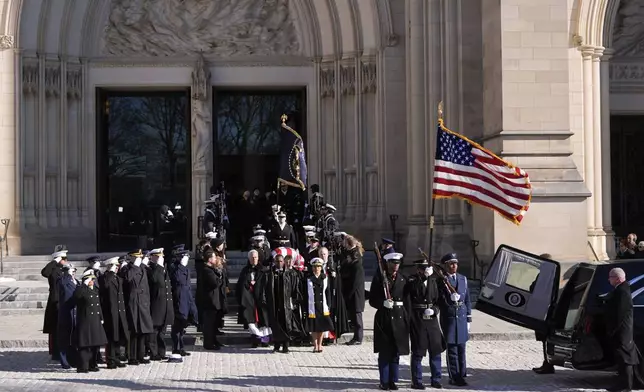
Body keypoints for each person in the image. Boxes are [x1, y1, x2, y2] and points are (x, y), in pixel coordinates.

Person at [369, 252, 410, 390]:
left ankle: (393, 380)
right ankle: (384, 381)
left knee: (396, 352)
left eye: (398, 263)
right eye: (393, 263)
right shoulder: (379, 278)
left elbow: (408, 298)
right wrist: (382, 303)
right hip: (384, 319)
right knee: (385, 352)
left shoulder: (403, 279)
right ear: (387, 263)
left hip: (399, 317)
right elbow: (372, 300)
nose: (396, 266)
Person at [405, 258, 446, 389]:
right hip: (418, 318)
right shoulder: (412, 280)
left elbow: (438, 301)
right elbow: (412, 291)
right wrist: (423, 278)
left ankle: (436, 378)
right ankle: (416, 381)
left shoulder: (433, 281)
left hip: (432, 319)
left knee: (436, 350)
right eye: (422, 269)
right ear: (418, 270)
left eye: (426, 269)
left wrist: (434, 310)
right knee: (418, 351)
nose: (424, 271)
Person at [258, 253, 303, 353]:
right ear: (274, 262)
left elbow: (295, 288)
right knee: (275, 324)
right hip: (274, 303)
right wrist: (264, 300)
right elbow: (264, 288)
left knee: (286, 324)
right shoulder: (269, 274)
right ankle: (277, 345)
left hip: (286, 303)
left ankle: (286, 346)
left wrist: (294, 301)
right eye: (277, 261)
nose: (279, 263)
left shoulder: (290, 274)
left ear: (284, 262)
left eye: (281, 261)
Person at [438, 253, 471, 387]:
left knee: (462, 348)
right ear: (445, 265)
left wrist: (469, 318)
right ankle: (454, 376)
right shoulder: (441, 280)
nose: (454, 266)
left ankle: (462, 374)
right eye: (451, 264)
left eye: (455, 263)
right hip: (449, 317)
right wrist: (448, 301)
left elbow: (467, 299)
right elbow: (439, 299)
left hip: (462, 317)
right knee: (452, 349)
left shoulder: (463, 279)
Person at [605, 267, 639, 392]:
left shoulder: (622, 291)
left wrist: (613, 330)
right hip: (620, 330)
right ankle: (621, 384)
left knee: (625, 358)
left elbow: (620, 314)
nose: (609, 279)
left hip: (622, 331)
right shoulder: (620, 289)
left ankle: (626, 386)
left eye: (611, 277)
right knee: (621, 357)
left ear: (618, 279)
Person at [73, 269, 108, 373]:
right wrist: (83, 285)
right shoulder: (81, 289)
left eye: (93, 279)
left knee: (95, 344)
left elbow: (98, 306)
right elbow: (76, 297)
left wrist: (101, 317)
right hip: (86, 321)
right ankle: (83, 366)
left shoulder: (94, 290)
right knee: (85, 345)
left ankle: (93, 364)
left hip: (95, 320)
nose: (92, 281)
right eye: (90, 279)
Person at [99, 256, 130, 369]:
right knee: (111, 337)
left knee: (118, 336)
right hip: (110, 313)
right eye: (115, 266)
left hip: (119, 311)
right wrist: (110, 272)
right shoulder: (104, 277)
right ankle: (110, 360)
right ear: (109, 266)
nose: (117, 268)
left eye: (117, 266)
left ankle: (116, 358)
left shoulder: (117, 278)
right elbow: (105, 286)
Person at [123, 249, 153, 365]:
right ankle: (131, 357)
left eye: (139, 257)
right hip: (133, 302)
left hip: (143, 302)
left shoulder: (143, 268)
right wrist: (134, 266)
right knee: (134, 331)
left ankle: (140, 355)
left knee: (142, 330)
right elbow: (127, 279)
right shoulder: (127, 268)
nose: (138, 259)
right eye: (136, 257)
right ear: (131, 257)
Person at [236, 250, 270, 347]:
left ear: (258, 258)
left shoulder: (264, 270)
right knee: (252, 320)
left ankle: (264, 340)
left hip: (261, 299)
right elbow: (241, 285)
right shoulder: (245, 271)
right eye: (252, 257)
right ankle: (255, 340)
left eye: (255, 257)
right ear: (249, 259)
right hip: (249, 299)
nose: (254, 259)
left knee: (263, 320)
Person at [170, 248, 198, 357]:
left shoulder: (185, 268)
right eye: (184, 256)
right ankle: (176, 348)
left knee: (182, 326)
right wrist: (181, 266)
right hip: (178, 299)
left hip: (186, 299)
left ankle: (181, 348)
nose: (186, 258)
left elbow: (188, 285)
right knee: (177, 326)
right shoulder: (175, 268)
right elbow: (178, 280)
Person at [147, 248, 174, 361]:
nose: (160, 258)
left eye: (161, 256)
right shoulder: (151, 269)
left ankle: (161, 352)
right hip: (156, 305)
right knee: (154, 331)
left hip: (165, 304)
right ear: (152, 257)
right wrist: (158, 266)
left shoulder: (162, 268)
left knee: (162, 331)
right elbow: (156, 281)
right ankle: (154, 352)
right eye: (157, 256)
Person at [42, 248, 68, 360]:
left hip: (62, 300)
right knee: (55, 328)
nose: (66, 260)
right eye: (64, 259)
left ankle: (61, 351)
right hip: (54, 301)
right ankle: (55, 353)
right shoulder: (53, 269)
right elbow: (44, 272)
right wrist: (54, 261)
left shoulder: (62, 269)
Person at [532, 253, 556, 375]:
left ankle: (548, 364)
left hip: (545, 313)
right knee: (544, 340)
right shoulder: (548, 275)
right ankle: (547, 363)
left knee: (546, 339)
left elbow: (535, 288)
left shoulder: (547, 276)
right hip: (542, 311)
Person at [304, 258, 334, 353]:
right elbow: (305, 293)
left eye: (318, 267)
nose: (317, 268)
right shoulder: (308, 278)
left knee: (321, 327)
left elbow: (327, 292)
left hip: (322, 305)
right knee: (313, 327)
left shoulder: (325, 278)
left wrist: (329, 305)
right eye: (315, 267)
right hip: (312, 305)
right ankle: (315, 345)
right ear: (312, 268)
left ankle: (320, 344)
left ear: (321, 268)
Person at [341, 235, 366, 346]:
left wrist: (349, 294)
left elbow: (356, 281)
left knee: (357, 316)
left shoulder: (356, 260)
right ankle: (356, 337)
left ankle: (358, 338)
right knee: (354, 316)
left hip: (356, 294)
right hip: (353, 292)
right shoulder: (352, 255)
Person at [201, 250, 226, 350]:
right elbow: (215, 283)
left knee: (214, 323)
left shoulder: (212, 269)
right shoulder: (207, 270)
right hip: (210, 301)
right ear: (210, 259)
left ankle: (214, 340)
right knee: (209, 324)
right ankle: (208, 343)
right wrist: (219, 276)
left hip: (216, 300)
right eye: (214, 257)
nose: (216, 259)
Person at [57, 263, 78, 369]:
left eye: (74, 271)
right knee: (64, 339)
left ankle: (73, 360)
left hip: (75, 312)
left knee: (73, 338)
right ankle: (64, 361)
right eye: (71, 271)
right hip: (65, 313)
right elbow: (62, 285)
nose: (73, 273)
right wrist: (68, 275)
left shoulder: (76, 281)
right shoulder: (62, 280)